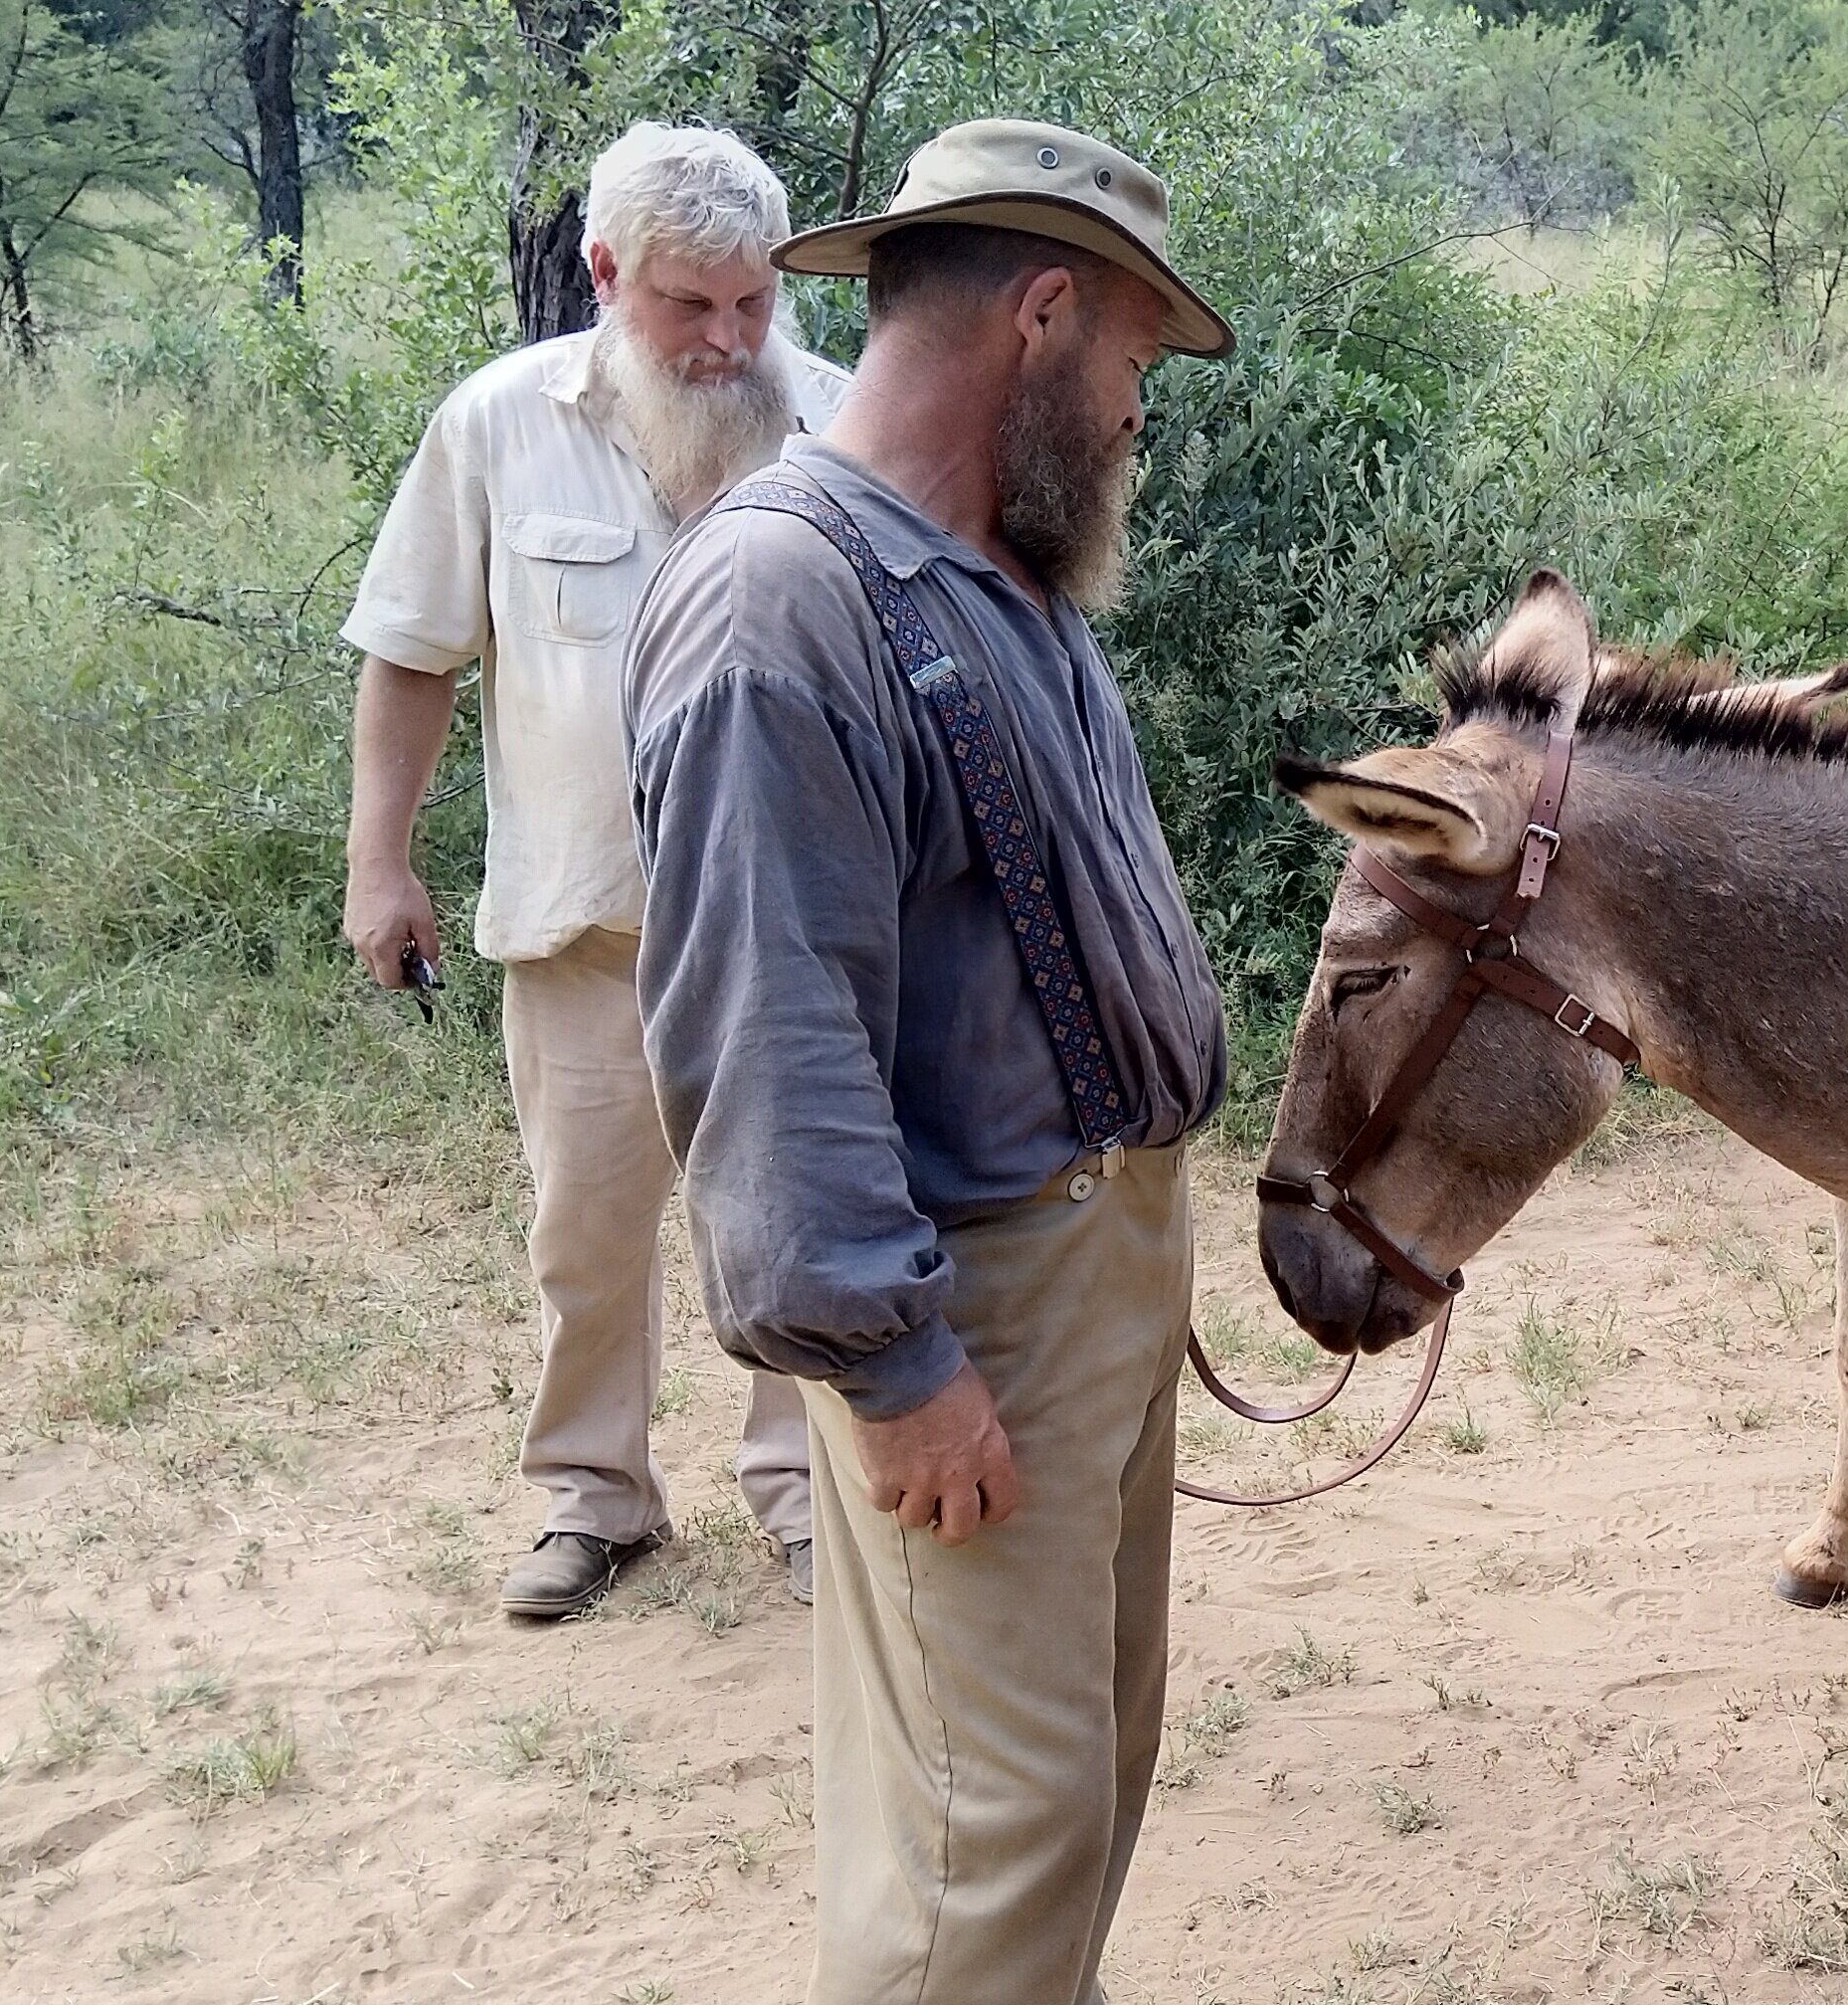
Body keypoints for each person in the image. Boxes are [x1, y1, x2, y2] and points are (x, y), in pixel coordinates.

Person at [622, 118, 1232, 2002]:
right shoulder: (779, 604)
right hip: (974, 1307)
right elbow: (764, 1025)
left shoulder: (993, 568)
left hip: (1092, 1267)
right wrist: (893, 1363)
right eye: (1133, 362)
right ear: (1042, 319)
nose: (1137, 414)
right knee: (988, 1838)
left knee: (1065, 1789)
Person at [340, 123, 847, 1618]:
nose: (729, 337)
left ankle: (808, 1493)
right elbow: (411, 649)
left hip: (798, 930)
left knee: (797, 1216)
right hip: (584, 923)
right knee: (587, 1233)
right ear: (605, 270)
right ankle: (595, 1498)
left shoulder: (834, 422)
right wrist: (382, 863)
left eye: (752, 301)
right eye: (691, 305)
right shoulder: (497, 424)